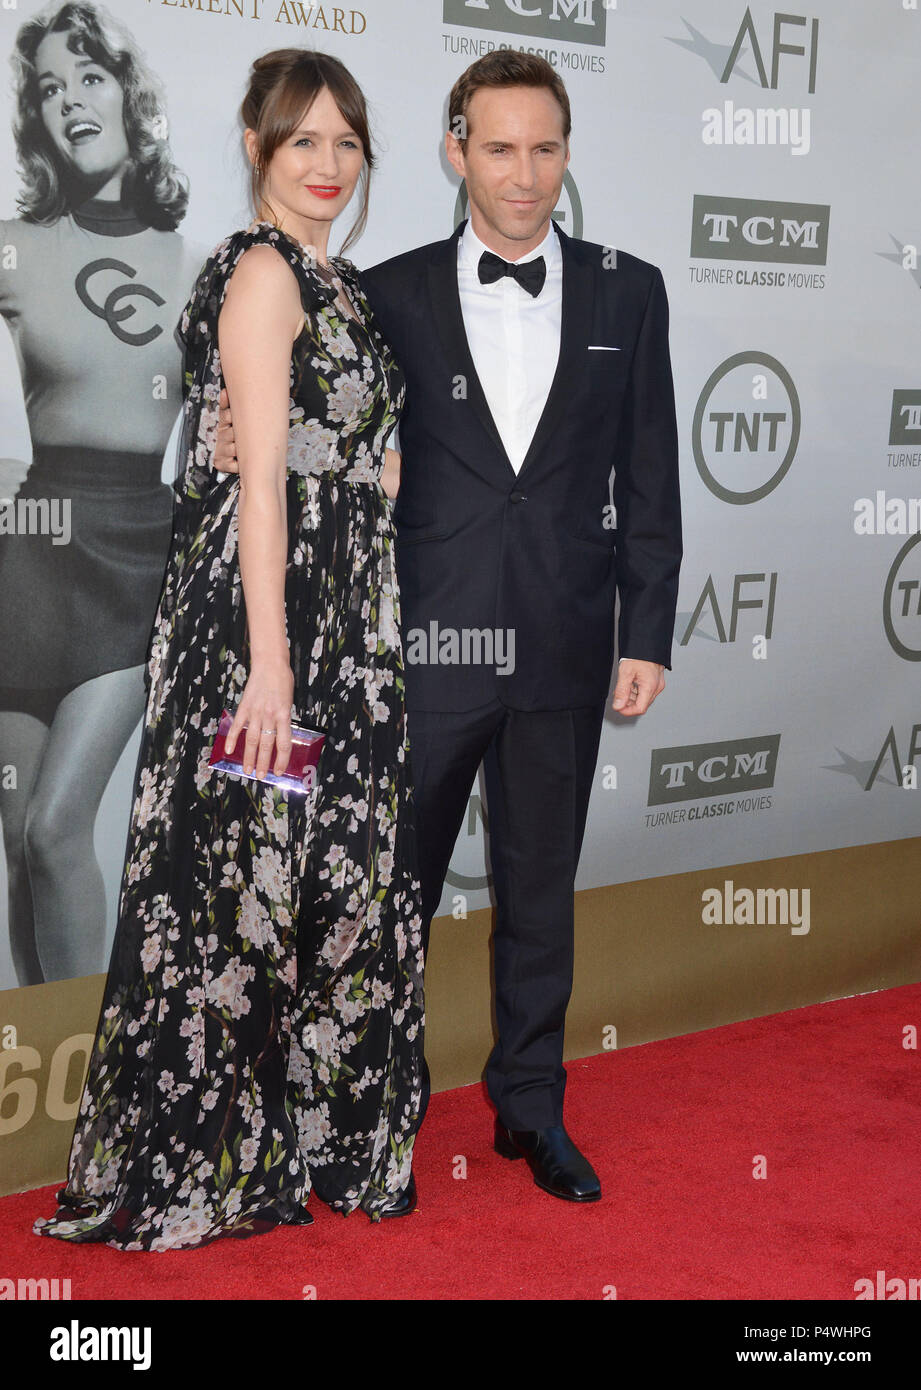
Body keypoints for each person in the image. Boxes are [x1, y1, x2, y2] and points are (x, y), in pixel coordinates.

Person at [216, 50, 682, 1206]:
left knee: (539, 896)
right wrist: (231, 441)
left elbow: (652, 476)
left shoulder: (633, 290)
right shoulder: (389, 290)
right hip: (417, 650)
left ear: (566, 155)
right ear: (452, 149)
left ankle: (532, 1106)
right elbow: (313, 431)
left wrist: (648, 628)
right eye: (497, 147)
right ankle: (379, 1114)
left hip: (568, 644)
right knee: (388, 902)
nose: (522, 176)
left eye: (544, 149)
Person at [33, 47, 424, 1251]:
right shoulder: (261, 273)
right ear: (257, 150)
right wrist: (271, 667)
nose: (327, 163)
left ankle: (310, 1135)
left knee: (337, 883)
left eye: (346, 141)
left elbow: (346, 457)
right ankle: (210, 1155)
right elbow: (256, 486)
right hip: (272, 633)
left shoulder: (340, 281)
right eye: (302, 139)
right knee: (241, 888)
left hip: (345, 627)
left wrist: (368, 471)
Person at [0, 0, 204, 987]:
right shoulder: (13, 245)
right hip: (28, 559)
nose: (70, 98)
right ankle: (41, 1099)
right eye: (48, 86)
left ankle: (101, 1094)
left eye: (87, 75)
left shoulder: (203, 266)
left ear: (128, 93)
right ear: (35, 117)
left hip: (137, 561)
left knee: (53, 828)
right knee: (21, 848)